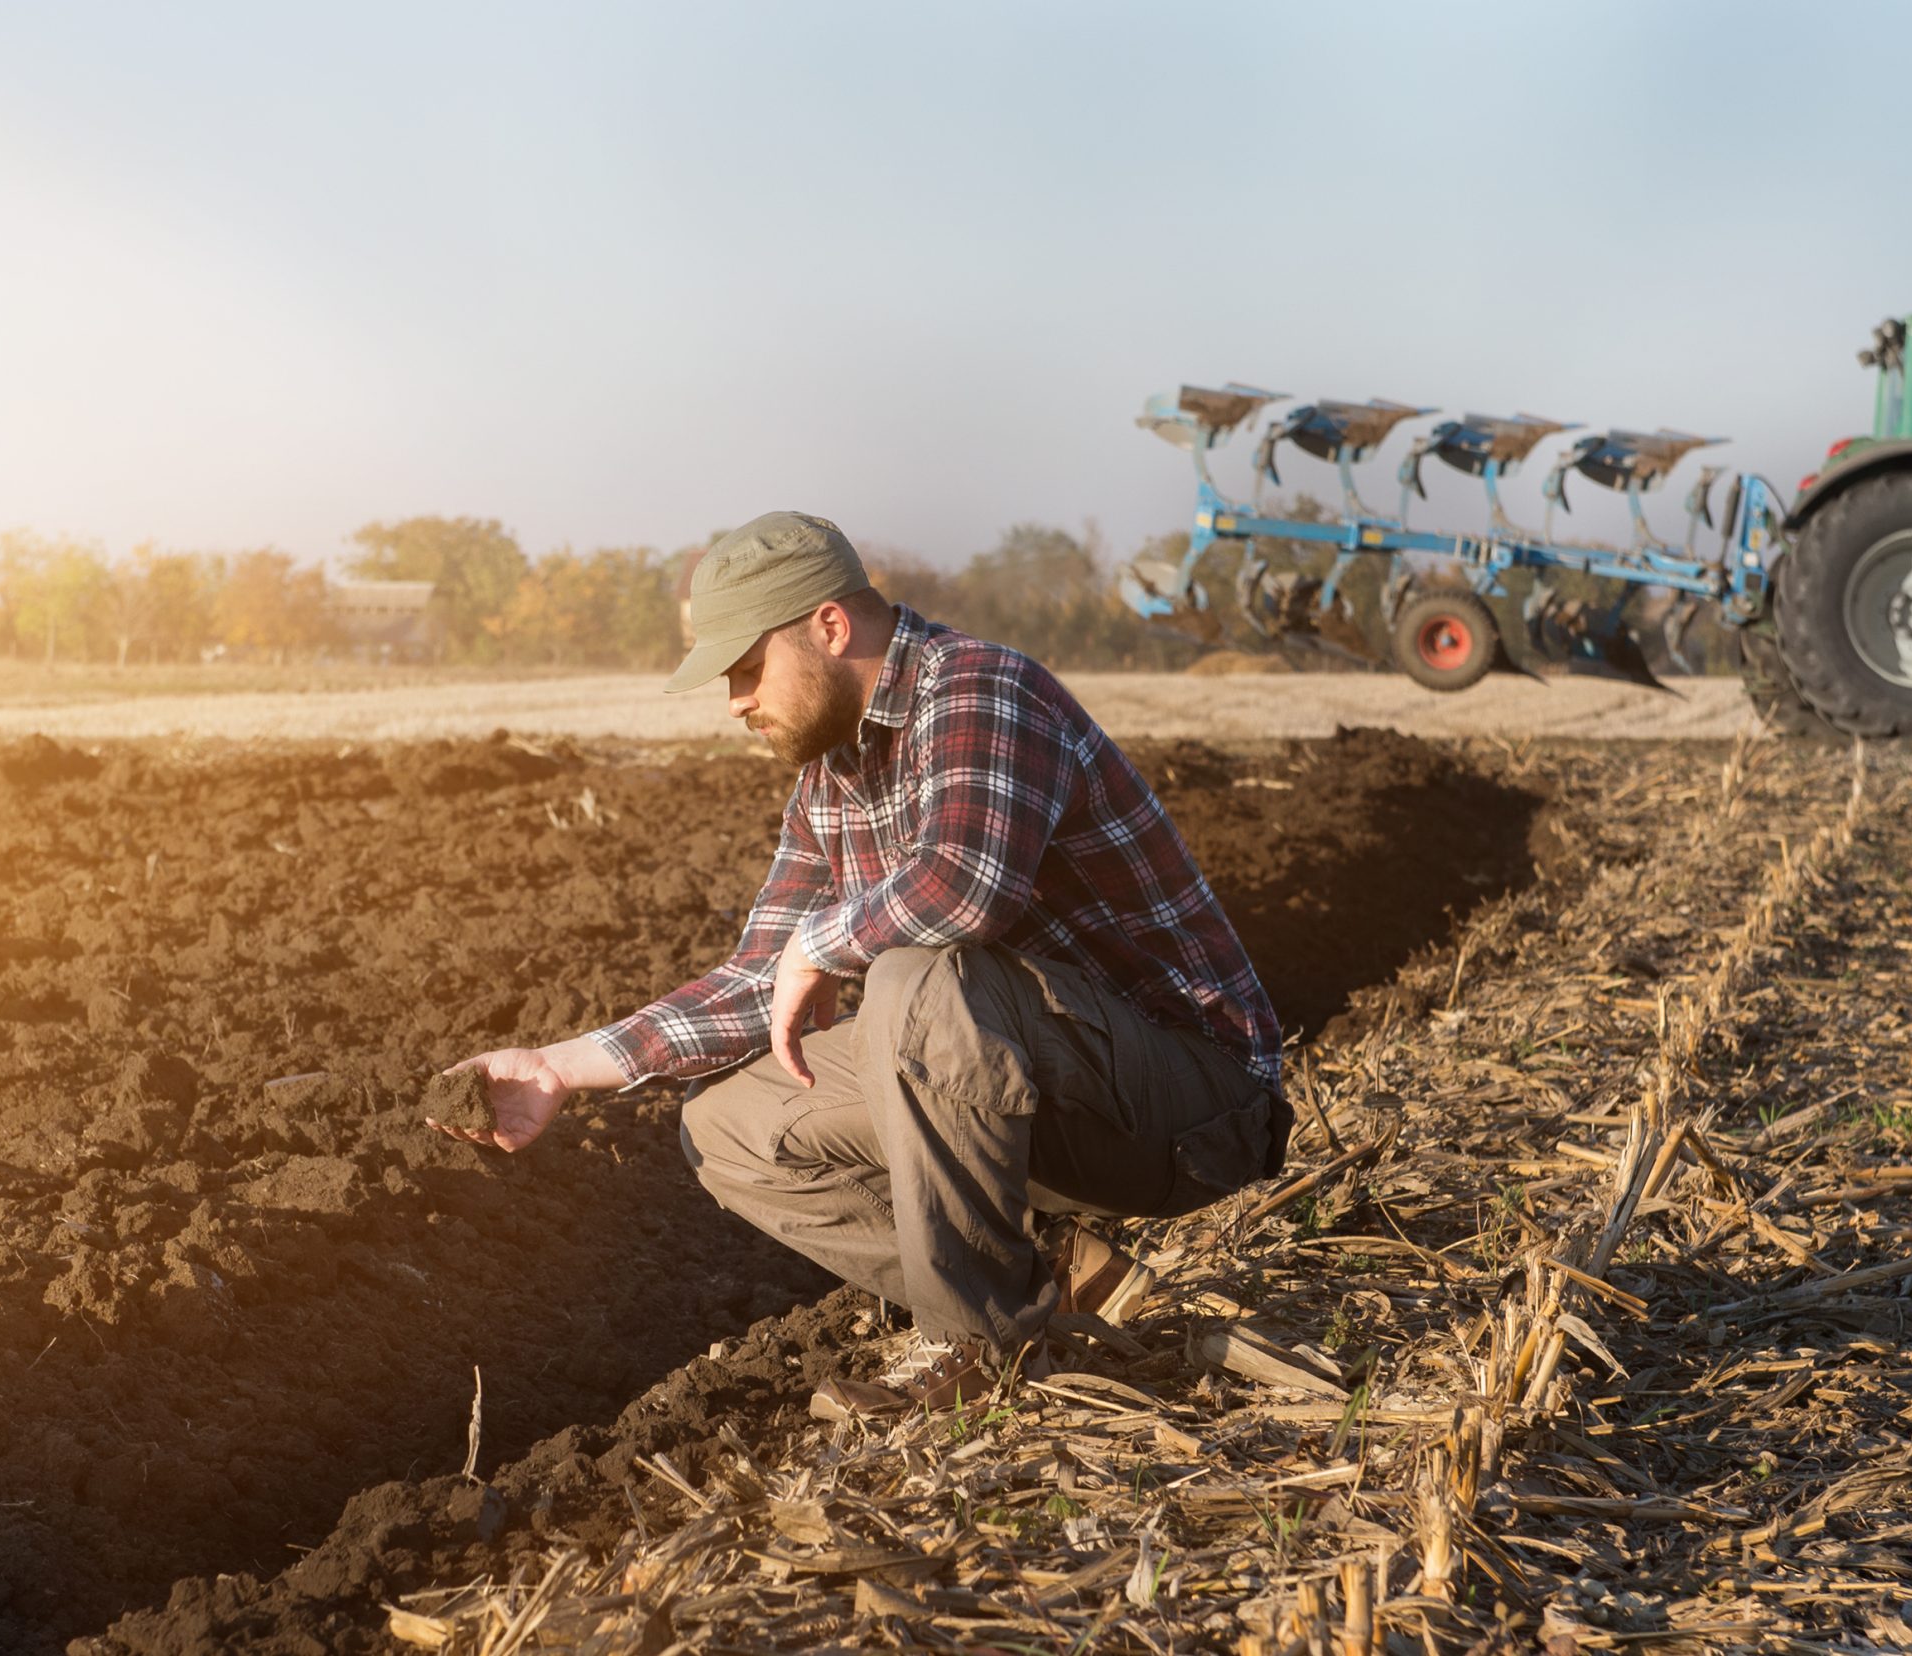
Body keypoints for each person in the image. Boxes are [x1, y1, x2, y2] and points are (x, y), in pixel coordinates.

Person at [438, 511, 1290, 1416]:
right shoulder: (829, 781)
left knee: (912, 980)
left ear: (830, 627)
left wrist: (823, 942)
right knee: (728, 1124)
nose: (734, 700)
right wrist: (562, 1067)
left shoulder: (980, 691)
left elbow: (963, 888)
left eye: (745, 669)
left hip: (1191, 1110)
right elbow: (761, 977)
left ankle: (982, 1350)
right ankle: (1048, 1286)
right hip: (1052, 1094)